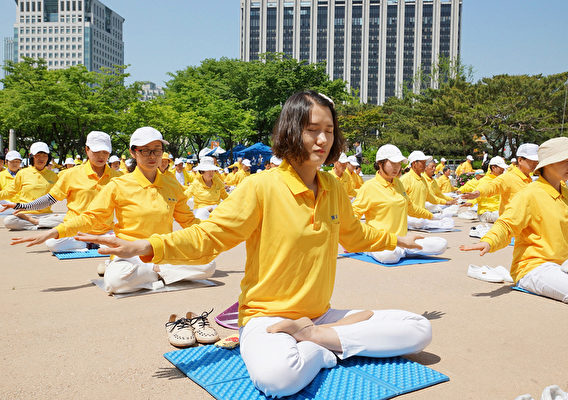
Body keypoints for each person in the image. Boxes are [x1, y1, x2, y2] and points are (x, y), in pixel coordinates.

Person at [74, 91, 431, 397]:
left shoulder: (334, 187)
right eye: (312, 131)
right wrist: (145, 246)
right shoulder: (260, 187)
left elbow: (356, 235)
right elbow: (209, 235)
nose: (322, 140)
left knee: (418, 329)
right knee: (278, 379)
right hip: (266, 317)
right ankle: (324, 349)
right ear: (292, 131)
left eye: (329, 131)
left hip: (320, 314)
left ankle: (315, 337)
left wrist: (398, 238)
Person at [11, 127, 216, 294]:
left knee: (209, 266)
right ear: (133, 153)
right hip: (127, 250)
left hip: (161, 251)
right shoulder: (118, 184)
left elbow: (189, 221)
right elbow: (92, 217)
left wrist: (216, 229)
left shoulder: (171, 185)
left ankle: (152, 271)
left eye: (156, 150)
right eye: (145, 150)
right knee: (115, 283)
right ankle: (153, 272)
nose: (152, 156)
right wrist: (55, 231)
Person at [461, 137, 568, 305]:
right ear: (548, 164)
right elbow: (507, 224)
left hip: (563, 262)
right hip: (534, 266)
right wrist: (489, 241)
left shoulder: (566, 194)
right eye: (566, 161)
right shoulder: (530, 193)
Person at [3, 131, 119, 252]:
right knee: (52, 243)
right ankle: (93, 244)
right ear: (87, 150)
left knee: (128, 242)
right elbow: (49, 199)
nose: (101, 156)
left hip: (105, 230)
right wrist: (22, 206)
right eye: (96, 152)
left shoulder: (117, 177)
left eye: (105, 152)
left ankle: (93, 243)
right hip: (75, 229)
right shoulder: (71, 174)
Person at [352, 144, 447, 264]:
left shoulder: (398, 183)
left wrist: (433, 217)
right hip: (381, 241)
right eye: (393, 163)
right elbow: (353, 215)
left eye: (399, 163)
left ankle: (403, 250)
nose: (397, 167)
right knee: (389, 255)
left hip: (403, 239)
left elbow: (411, 208)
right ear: (380, 163)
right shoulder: (369, 187)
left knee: (441, 244)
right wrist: (358, 238)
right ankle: (368, 248)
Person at [461, 144, 539, 216]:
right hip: (502, 218)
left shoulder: (529, 179)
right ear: (520, 160)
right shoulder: (508, 177)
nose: (535, 164)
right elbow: (491, 186)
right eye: (532, 161)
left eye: (537, 161)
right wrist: (477, 193)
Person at [0, 142, 63, 230]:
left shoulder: (53, 175)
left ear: (48, 157)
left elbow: (59, 195)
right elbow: (10, 192)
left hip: (46, 215)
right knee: (9, 221)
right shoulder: (22, 173)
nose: (41, 159)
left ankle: (36, 224)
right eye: (38, 155)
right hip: (25, 214)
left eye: (45, 155)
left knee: (67, 218)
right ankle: (42, 225)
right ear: (31, 156)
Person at [462, 156, 507, 223]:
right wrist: (471, 202)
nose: (503, 170)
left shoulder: (501, 180)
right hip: (486, 212)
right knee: (504, 217)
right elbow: (478, 193)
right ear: (493, 168)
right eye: (501, 168)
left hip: (498, 210)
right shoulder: (484, 181)